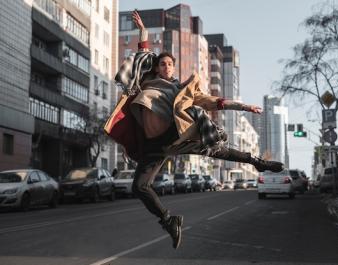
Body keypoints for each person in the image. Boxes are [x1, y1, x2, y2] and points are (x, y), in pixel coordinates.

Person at [105, 11, 283, 249]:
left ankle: (256, 161)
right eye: (163, 64)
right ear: (157, 68)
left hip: (175, 134)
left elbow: (213, 100)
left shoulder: (180, 89)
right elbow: (143, 50)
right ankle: (169, 221)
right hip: (153, 145)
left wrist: (245, 107)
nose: (166, 67)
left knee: (216, 150)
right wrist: (142, 30)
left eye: (170, 64)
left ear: (173, 68)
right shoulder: (146, 82)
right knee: (139, 187)